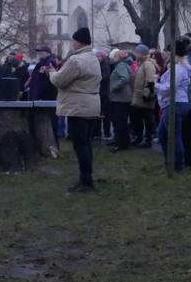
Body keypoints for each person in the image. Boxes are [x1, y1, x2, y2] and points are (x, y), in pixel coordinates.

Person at [45, 27, 101, 193]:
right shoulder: (93, 58)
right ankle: (86, 178)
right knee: (86, 144)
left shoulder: (76, 60)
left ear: (78, 42)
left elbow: (59, 81)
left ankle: (86, 181)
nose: (72, 44)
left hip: (78, 107)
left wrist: (51, 72)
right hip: (91, 105)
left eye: (74, 41)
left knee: (80, 145)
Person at [157, 37, 191, 172]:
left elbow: (170, 88)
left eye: (167, 51)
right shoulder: (177, 67)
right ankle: (170, 163)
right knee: (162, 135)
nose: (165, 53)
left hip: (175, 104)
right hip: (173, 103)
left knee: (174, 137)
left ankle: (177, 166)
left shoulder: (177, 69)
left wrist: (156, 85)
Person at [129, 44, 158, 147]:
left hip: (144, 98)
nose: (135, 54)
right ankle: (139, 138)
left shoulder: (148, 64)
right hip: (139, 97)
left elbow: (150, 80)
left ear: (141, 53)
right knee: (138, 119)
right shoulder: (142, 64)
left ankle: (147, 140)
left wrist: (147, 95)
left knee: (147, 119)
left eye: (136, 52)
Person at [107, 49, 134, 152]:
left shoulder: (121, 65)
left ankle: (121, 144)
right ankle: (121, 141)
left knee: (120, 122)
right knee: (120, 121)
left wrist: (113, 87)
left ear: (118, 57)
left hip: (120, 98)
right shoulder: (122, 65)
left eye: (114, 56)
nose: (112, 58)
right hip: (121, 98)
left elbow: (124, 78)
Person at [95, 49, 112, 141]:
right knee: (97, 114)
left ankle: (107, 133)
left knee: (106, 115)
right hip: (99, 93)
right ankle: (97, 132)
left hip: (104, 93)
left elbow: (103, 78)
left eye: (98, 56)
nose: (97, 58)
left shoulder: (105, 66)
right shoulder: (98, 66)